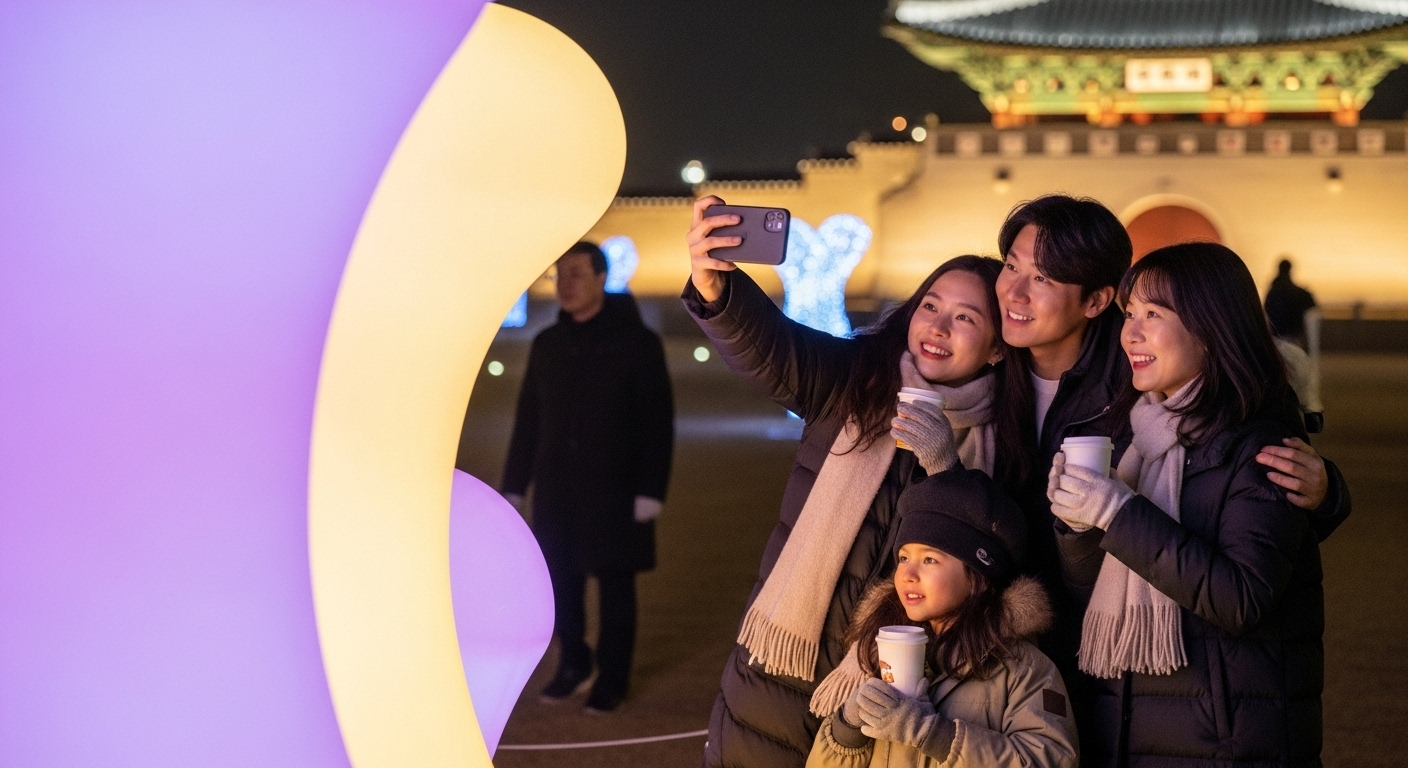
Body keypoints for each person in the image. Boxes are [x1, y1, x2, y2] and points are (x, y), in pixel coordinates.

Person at [683, 195, 1034, 768]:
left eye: (966, 318)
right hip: (780, 669)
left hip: (898, 695)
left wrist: (945, 466)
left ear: (997, 348)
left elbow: (998, 560)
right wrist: (717, 289)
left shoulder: (1007, 444)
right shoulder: (857, 379)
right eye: (930, 305)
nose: (938, 327)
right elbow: (774, 350)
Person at [993, 194, 1348, 745]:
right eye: (1130, 316)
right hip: (1132, 721)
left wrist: (1117, 511)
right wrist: (1078, 525)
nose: (1129, 334)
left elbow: (1241, 596)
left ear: (1211, 328)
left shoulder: (1258, 444)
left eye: (1152, 316)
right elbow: (1093, 585)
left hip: (1224, 734)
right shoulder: (1142, 430)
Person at [805, 468, 1079, 768]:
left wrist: (933, 734)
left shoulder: (1024, 671)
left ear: (979, 578)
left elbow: (1050, 761)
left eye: (929, 559)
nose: (907, 574)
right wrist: (846, 729)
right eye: (904, 558)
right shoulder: (877, 654)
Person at [501, 241, 674, 714]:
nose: (566, 284)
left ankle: (612, 678)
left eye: (576, 274)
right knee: (561, 585)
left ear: (602, 278)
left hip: (616, 490)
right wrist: (514, 484)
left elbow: (657, 422)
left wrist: (649, 490)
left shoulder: (638, 344)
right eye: (560, 275)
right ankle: (574, 663)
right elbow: (529, 418)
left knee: (616, 587)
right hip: (557, 489)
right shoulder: (548, 345)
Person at [1264, 257, 1317, 348]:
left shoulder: (1274, 291)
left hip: (1278, 335)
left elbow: (1267, 308)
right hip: (1294, 334)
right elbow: (1311, 304)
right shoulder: (1297, 292)